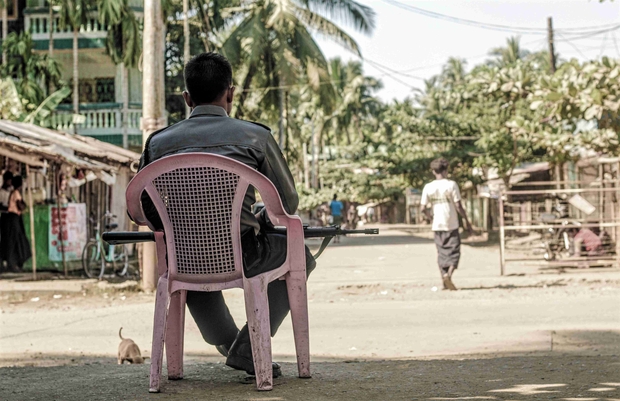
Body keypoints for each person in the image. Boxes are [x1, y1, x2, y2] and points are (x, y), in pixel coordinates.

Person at [134, 52, 316, 378]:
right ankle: (246, 348)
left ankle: (230, 342)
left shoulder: (157, 143)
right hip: (242, 254)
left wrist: (180, 225)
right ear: (230, 93)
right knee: (300, 254)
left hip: (183, 255)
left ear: (187, 98)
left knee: (186, 266)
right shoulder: (255, 137)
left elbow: (142, 209)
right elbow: (288, 203)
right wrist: (258, 214)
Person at [421, 158, 472, 291]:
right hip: (451, 223)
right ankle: (448, 275)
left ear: (433, 171)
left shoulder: (428, 187)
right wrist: (466, 220)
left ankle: (443, 275)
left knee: (441, 252)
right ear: (446, 170)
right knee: (454, 252)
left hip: (437, 224)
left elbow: (422, 208)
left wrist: (430, 217)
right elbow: (458, 205)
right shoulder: (451, 185)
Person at [0, 176, 31, 272]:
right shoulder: (16, 193)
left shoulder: (14, 193)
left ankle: (14, 262)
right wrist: (24, 205)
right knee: (14, 241)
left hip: (14, 218)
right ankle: (12, 263)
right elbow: (20, 206)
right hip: (13, 217)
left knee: (14, 240)